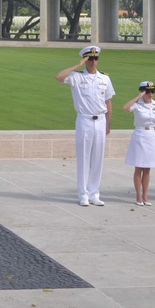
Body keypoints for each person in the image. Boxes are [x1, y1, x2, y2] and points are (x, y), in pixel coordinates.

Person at [55, 46, 115, 207]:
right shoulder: (77, 76)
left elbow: (108, 102)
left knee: (98, 158)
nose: (93, 61)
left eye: (96, 58)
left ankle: (94, 193)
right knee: (83, 158)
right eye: (90, 58)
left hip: (100, 120)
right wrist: (78, 65)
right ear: (85, 59)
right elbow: (59, 77)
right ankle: (83, 194)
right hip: (84, 120)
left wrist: (108, 123)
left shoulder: (105, 78)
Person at [123, 81, 155, 206]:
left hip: (151, 136)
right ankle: (138, 196)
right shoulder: (137, 105)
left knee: (147, 168)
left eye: (152, 91)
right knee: (139, 167)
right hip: (139, 136)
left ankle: (145, 195)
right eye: (148, 91)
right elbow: (126, 108)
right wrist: (138, 97)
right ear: (142, 91)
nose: (150, 94)